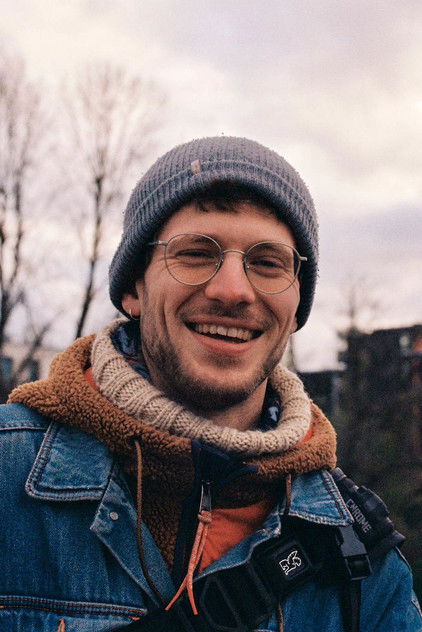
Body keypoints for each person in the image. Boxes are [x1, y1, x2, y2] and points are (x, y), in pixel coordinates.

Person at [1, 136, 421, 632]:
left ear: (296, 310)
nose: (232, 291)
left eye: (268, 263)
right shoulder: (8, 477)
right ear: (134, 288)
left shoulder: (361, 558)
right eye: (197, 253)